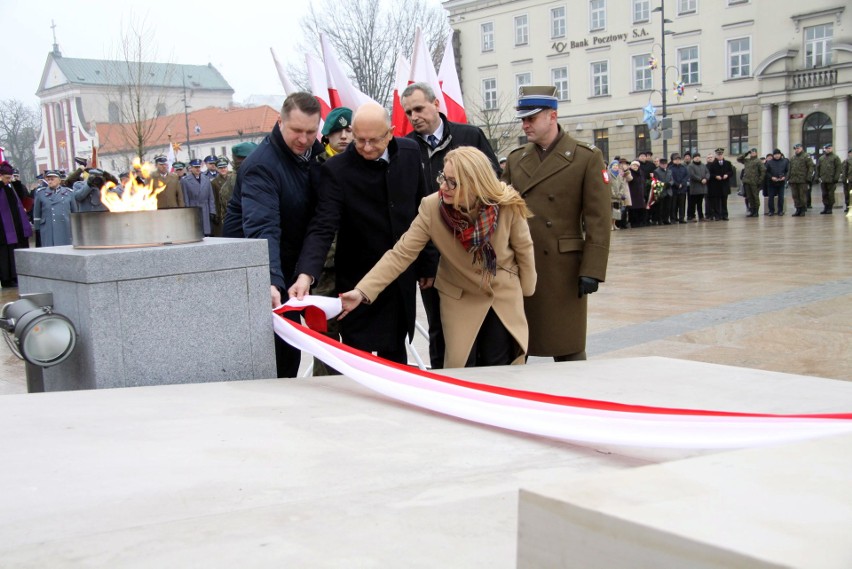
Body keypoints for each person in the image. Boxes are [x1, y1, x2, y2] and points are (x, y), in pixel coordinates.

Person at [339, 147, 536, 368]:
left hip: (501, 294)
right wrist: (362, 291)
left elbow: (524, 249)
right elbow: (401, 253)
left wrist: (526, 290)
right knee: (463, 368)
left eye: (453, 182)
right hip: (459, 296)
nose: (443, 186)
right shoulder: (432, 207)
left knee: (500, 366)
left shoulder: (507, 202)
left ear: (475, 183)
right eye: (443, 177)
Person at [289, 102, 437, 366]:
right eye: (360, 140)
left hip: (399, 277)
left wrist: (427, 263)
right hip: (357, 280)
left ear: (390, 133)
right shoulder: (337, 170)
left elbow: (424, 211)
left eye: (374, 140)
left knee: (396, 355)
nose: (367, 148)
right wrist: (306, 273)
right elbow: (323, 225)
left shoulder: (411, 153)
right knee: (361, 359)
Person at [500, 85, 610, 362]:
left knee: (567, 345)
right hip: (523, 262)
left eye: (531, 118)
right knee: (519, 341)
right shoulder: (516, 159)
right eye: (523, 119)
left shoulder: (586, 157)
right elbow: (501, 209)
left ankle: (574, 399)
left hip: (564, 267)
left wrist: (593, 268)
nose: (525, 125)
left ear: (552, 116)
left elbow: (599, 218)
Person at [223, 92, 324, 378]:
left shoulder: (315, 156)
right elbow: (262, 228)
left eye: (310, 131)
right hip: (262, 274)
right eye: (296, 131)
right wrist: (270, 281)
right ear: (280, 122)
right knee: (278, 360)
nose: (304, 139)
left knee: (293, 352)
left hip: (292, 268)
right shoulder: (261, 166)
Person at [401, 82, 499, 369]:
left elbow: (494, 190)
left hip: (476, 251)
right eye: (408, 112)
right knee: (439, 329)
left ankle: (486, 384)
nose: (414, 116)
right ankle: (443, 384)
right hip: (434, 258)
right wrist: (425, 264)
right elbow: (412, 213)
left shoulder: (470, 136)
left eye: (419, 108)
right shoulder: (405, 148)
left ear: (436, 104)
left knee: (484, 325)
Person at [0, 161, 32, 287]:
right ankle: (6, 278)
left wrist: (16, 183)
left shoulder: (11, 187)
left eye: (10, 178)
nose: (9, 180)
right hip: (2, 230)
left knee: (14, 251)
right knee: (4, 255)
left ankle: (14, 276)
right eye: (7, 178)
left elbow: (23, 199)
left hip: (15, 228)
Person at [34, 169, 77, 246]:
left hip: (65, 227)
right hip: (48, 228)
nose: (50, 181)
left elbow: (75, 212)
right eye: (48, 179)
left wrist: (76, 226)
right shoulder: (40, 193)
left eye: (52, 179)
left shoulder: (69, 193)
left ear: (59, 180)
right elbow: (37, 212)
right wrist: (37, 227)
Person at [181, 158, 216, 236]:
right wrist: (187, 211)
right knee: (195, 232)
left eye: (199, 167)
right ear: (191, 168)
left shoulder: (206, 179)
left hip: (205, 208)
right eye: (195, 167)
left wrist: (212, 211)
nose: (197, 169)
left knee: (206, 232)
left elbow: (211, 197)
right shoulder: (185, 180)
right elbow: (186, 198)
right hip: (194, 207)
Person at [706, 148, 733, 221]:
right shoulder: (712, 164)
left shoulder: (728, 163)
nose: (720, 156)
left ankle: (725, 215)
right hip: (716, 185)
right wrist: (715, 176)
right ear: (716, 155)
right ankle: (717, 215)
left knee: (724, 201)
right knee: (716, 202)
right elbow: (710, 174)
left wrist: (727, 175)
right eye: (718, 154)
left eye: (721, 154)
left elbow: (731, 172)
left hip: (724, 185)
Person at [738, 148, 766, 217]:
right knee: (749, 197)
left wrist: (760, 180)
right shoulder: (747, 160)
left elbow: (763, 171)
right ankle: (752, 210)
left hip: (755, 182)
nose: (752, 153)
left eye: (754, 152)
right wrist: (746, 153)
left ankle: (756, 211)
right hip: (747, 182)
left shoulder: (758, 161)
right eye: (751, 152)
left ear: (756, 153)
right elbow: (739, 159)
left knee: (755, 197)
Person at [788, 143, 814, 217]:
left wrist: (808, 178)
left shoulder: (806, 156)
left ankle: (803, 209)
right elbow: (790, 169)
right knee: (795, 196)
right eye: (796, 149)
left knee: (802, 196)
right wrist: (788, 178)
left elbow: (811, 167)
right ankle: (797, 209)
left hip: (802, 180)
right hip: (793, 180)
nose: (797, 150)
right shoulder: (793, 158)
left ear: (801, 148)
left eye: (798, 148)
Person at [816, 143, 842, 215]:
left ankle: (830, 208)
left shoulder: (835, 157)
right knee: (824, 194)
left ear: (831, 148)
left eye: (829, 148)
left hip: (831, 179)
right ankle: (825, 207)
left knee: (830, 194)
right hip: (823, 179)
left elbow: (838, 168)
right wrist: (817, 177)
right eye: (826, 148)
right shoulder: (821, 158)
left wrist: (836, 178)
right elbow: (818, 168)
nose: (828, 150)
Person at [764, 148, 789, 216]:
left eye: (778, 154)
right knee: (771, 197)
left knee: (781, 197)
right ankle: (771, 211)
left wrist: (784, 177)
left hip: (781, 182)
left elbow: (787, 171)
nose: (777, 156)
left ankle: (780, 210)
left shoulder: (785, 161)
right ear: (773, 155)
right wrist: (771, 177)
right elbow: (766, 172)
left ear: (780, 154)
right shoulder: (769, 162)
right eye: (775, 154)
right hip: (771, 183)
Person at [210, 158, 231, 236]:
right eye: (220, 168)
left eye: (224, 167)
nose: (223, 169)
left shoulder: (233, 178)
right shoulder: (214, 182)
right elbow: (214, 200)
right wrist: (216, 214)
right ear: (217, 169)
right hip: (222, 212)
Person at [609, 159, 631, 230]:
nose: (615, 167)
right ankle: (610, 225)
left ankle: (614, 224)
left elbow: (622, 185)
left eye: (616, 166)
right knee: (611, 211)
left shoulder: (619, 175)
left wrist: (620, 193)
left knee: (616, 212)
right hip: (611, 197)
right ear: (611, 166)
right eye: (614, 165)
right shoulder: (608, 174)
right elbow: (610, 185)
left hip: (618, 197)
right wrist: (614, 194)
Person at [687, 153, 709, 222]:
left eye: (698, 157)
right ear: (693, 158)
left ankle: (701, 216)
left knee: (700, 203)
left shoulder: (703, 165)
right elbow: (692, 175)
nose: (697, 158)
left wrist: (706, 178)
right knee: (693, 203)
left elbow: (707, 172)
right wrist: (700, 179)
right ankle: (692, 216)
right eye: (696, 157)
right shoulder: (691, 166)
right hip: (695, 187)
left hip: (702, 188)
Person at [668, 153, 689, 223]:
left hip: (682, 189)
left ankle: (681, 218)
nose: (677, 161)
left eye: (679, 159)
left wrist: (682, 184)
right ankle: (673, 218)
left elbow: (686, 176)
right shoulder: (670, 168)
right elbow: (670, 178)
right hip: (674, 189)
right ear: (673, 160)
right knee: (673, 205)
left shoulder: (683, 168)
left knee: (682, 205)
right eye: (676, 159)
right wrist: (676, 184)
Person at [626, 160, 647, 227]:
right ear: (631, 166)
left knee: (640, 208)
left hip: (640, 193)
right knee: (633, 209)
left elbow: (643, 182)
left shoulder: (641, 173)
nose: (635, 167)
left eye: (636, 165)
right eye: (633, 165)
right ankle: (633, 223)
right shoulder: (629, 172)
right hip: (632, 193)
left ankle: (640, 222)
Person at [842, 149, 852, 214]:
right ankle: (848, 207)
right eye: (850, 153)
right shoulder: (846, 161)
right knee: (847, 194)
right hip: (849, 180)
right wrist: (844, 179)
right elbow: (844, 171)